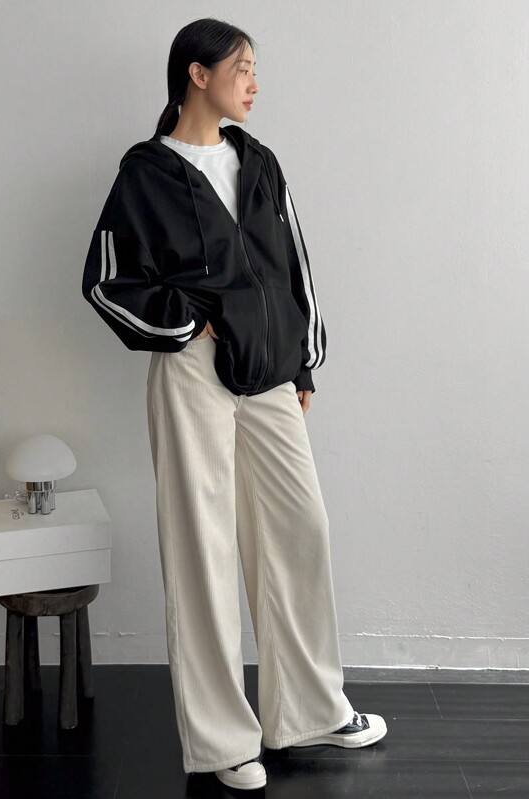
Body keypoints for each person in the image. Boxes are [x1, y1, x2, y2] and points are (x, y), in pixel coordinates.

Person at [82, 17, 387, 791]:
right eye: (241, 67)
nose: (254, 82)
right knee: (203, 545)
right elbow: (107, 280)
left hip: (271, 371)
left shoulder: (259, 162)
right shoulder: (147, 170)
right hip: (192, 372)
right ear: (197, 73)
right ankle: (222, 741)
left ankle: (307, 710)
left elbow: (294, 263)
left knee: (299, 531)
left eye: (254, 68)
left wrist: (302, 357)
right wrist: (189, 322)